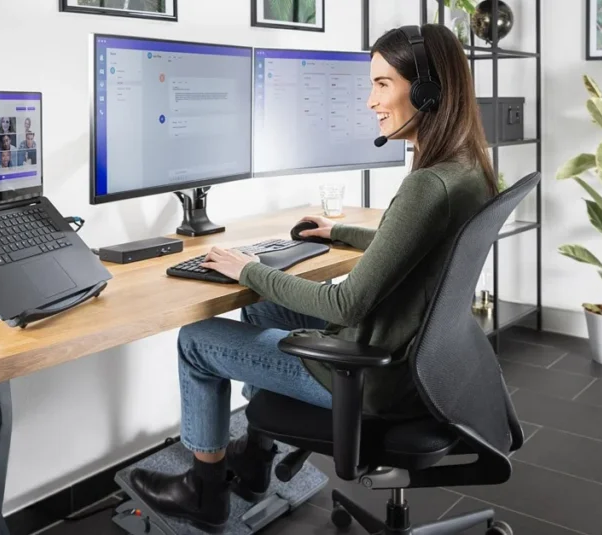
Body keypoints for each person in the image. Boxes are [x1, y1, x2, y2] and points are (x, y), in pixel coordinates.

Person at [128, 23, 498, 530]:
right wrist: (339, 233)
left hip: (373, 377)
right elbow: (417, 246)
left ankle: (204, 492)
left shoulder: (427, 184)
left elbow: (347, 306)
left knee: (196, 339)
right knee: (261, 306)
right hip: (419, 362)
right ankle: (256, 459)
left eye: (382, 84)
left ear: (430, 92)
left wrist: (250, 268)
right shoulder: (467, 168)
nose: (371, 101)